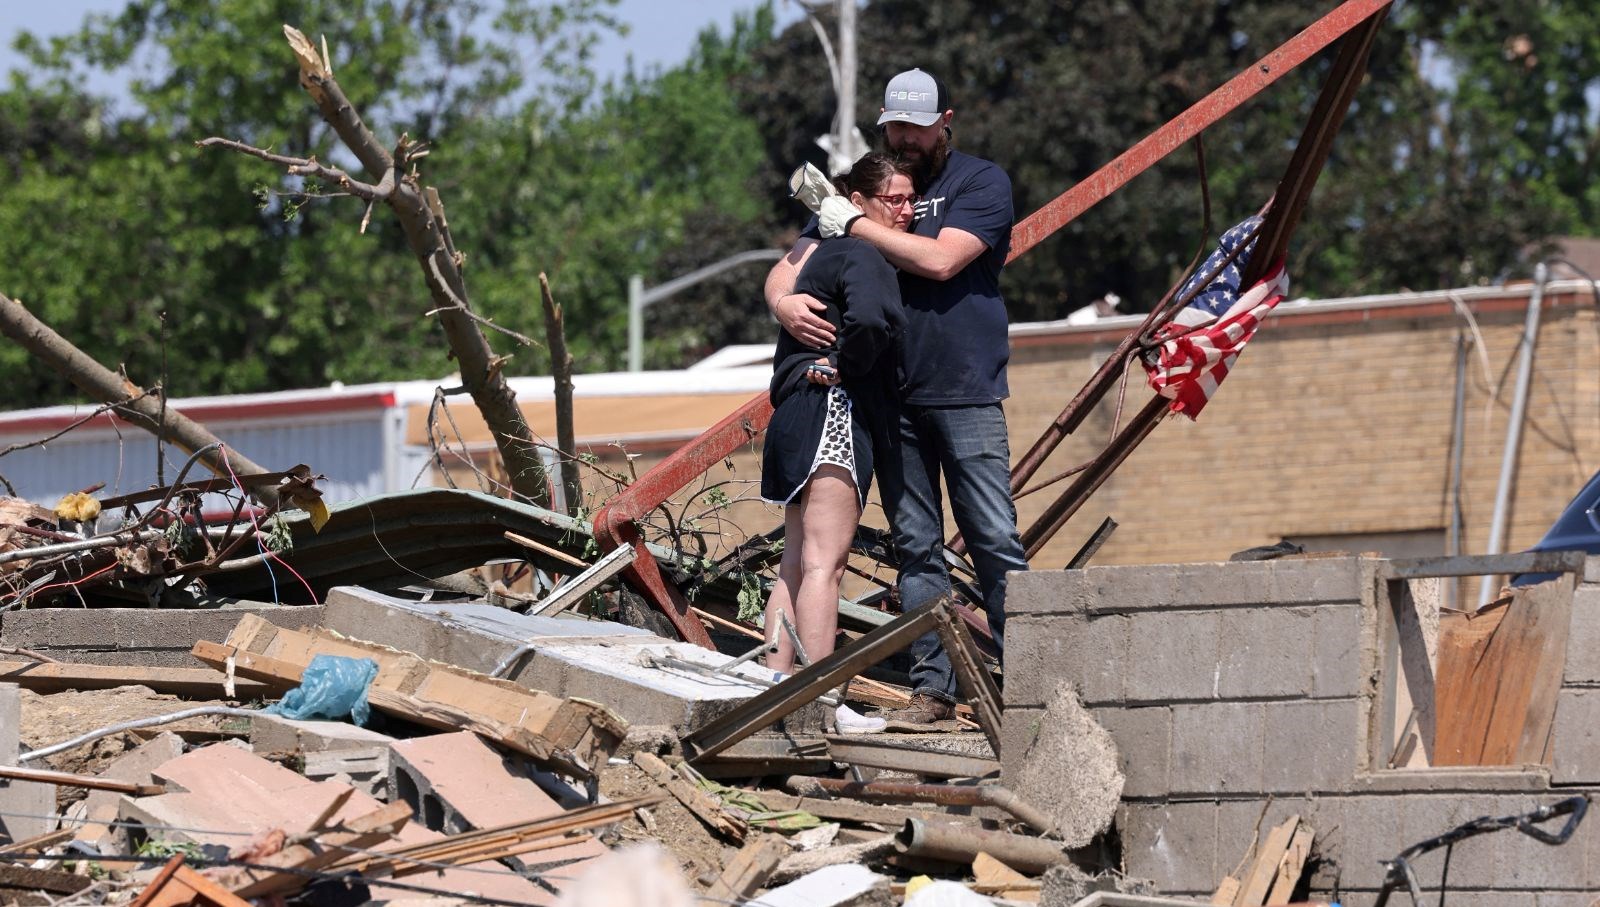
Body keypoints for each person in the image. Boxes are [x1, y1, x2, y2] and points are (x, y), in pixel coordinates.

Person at [763, 68, 1028, 729]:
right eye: (894, 128)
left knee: (994, 536)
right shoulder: (871, 181)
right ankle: (933, 691)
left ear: (946, 122)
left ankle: (1032, 679)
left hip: (963, 389)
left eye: (917, 127)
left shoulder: (980, 183)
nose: (905, 139)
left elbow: (939, 262)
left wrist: (851, 220)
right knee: (916, 547)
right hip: (891, 400)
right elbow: (788, 268)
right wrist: (784, 302)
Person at [760, 152, 915, 733]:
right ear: (856, 205)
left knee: (795, 563)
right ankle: (819, 702)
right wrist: (848, 365)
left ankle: (775, 687)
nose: (905, 210)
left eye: (909, 199)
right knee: (826, 563)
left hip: (795, 414)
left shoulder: (825, 255)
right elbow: (872, 320)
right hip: (833, 413)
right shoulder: (862, 252)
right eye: (892, 199)